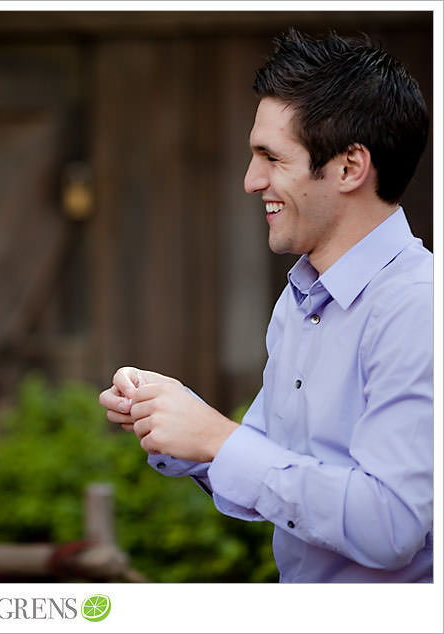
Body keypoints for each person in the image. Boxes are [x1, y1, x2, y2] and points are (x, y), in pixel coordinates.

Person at [99, 29, 432, 582]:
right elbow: (276, 470)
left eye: (271, 158)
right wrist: (173, 418)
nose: (252, 181)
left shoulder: (417, 309)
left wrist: (215, 437)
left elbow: (391, 525)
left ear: (350, 167)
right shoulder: (301, 298)